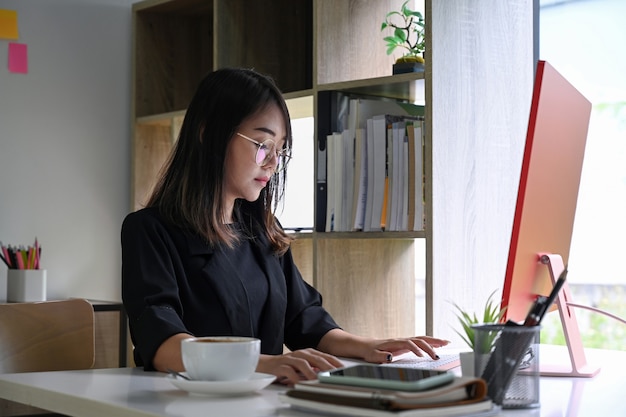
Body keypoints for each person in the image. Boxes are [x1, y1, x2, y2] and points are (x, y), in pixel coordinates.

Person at [121, 67, 449, 385]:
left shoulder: (262, 230)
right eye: (262, 144)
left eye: (280, 151)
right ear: (208, 135)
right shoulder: (149, 231)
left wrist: (368, 346)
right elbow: (162, 345)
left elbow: (303, 320)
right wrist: (263, 365)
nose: (273, 162)